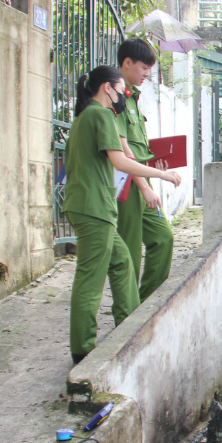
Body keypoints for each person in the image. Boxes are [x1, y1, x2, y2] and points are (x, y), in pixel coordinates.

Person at [62, 66, 182, 364]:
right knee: (90, 277)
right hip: (93, 207)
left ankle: (129, 327)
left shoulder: (84, 118)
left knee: (122, 263)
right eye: (120, 90)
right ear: (107, 88)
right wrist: (162, 175)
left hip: (88, 204)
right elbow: (121, 161)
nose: (122, 96)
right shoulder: (100, 115)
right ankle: (83, 349)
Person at [115, 39, 175, 303]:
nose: (147, 74)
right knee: (129, 253)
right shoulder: (115, 98)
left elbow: (138, 148)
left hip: (142, 179)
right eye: (143, 68)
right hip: (128, 185)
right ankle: (127, 314)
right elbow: (123, 150)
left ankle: (144, 306)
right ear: (127, 63)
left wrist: (153, 166)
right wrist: (145, 186)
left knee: (163, 238)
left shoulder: (133, 99)